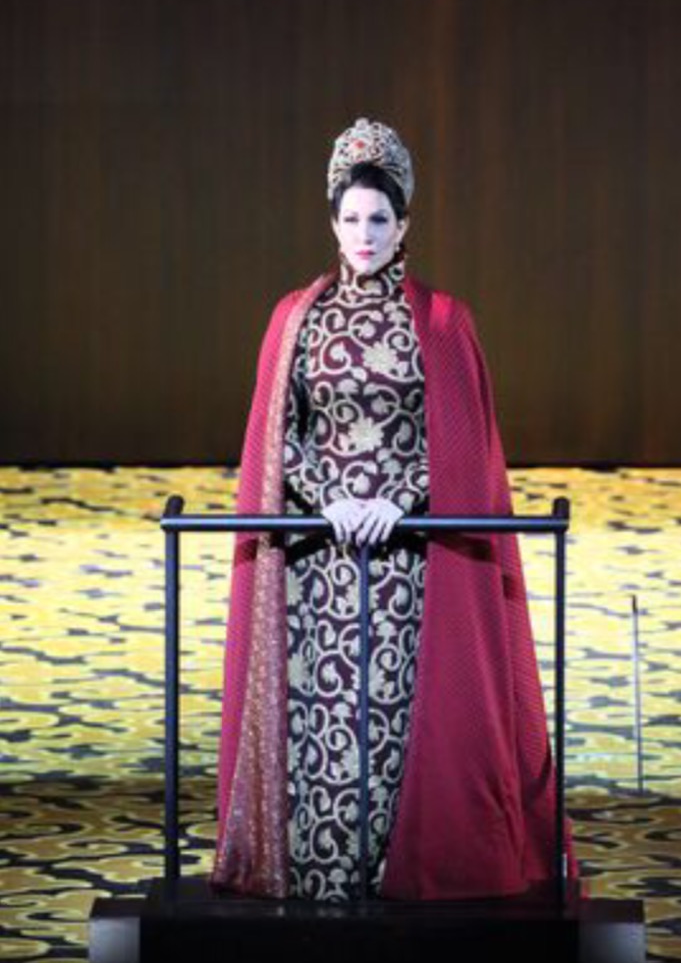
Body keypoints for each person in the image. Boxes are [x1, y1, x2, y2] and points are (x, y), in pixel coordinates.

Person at [212, 117, 577, 901]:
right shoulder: (296, 317)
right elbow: (277, 436)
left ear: (404, 224)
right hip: (319, 555)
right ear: (332, 223)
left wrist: (397, 499)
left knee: (402, 714)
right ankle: (321, 867)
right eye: (350, 218)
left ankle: (398, 870)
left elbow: (463, 444)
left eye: (379, 218)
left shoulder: (442, 321)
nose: (364, 234)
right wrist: (330, 499)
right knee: (322, 711)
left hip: (410, 551)